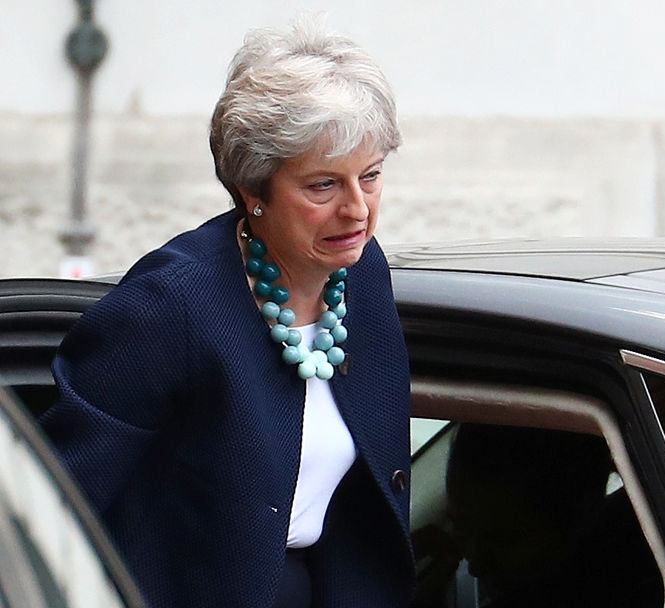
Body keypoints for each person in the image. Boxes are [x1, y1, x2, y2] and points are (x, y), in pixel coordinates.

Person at [40, 18, 413, 608]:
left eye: (370, 176)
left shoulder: (362, 275)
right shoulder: (171, 307)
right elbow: (53, 504)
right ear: (252, 190)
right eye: (323, 186)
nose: (358, 210)